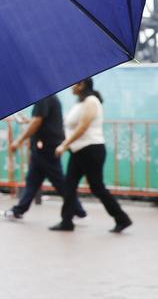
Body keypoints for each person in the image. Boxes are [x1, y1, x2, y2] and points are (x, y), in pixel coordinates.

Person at [49, 78, 133, 233]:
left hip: (91, 150)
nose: (70, 87)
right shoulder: (80, 103)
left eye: (73, 84)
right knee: (69, 185)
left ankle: (122, 218)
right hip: (78, 151)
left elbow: (83, 127)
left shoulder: (91, 101)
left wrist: (64, 145)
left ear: (81, 85)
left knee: (97, 187)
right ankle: (66, 221)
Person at [3, 93, 86, 220]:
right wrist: (28, 121)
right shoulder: (50, 97)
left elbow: (38, 120)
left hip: (46, 147)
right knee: (33, 181)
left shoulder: (44, 97)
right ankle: (18, 210)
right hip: (44, 146)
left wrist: (18, 141)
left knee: (58, 181)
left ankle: (78, 210)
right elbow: (43, 120)